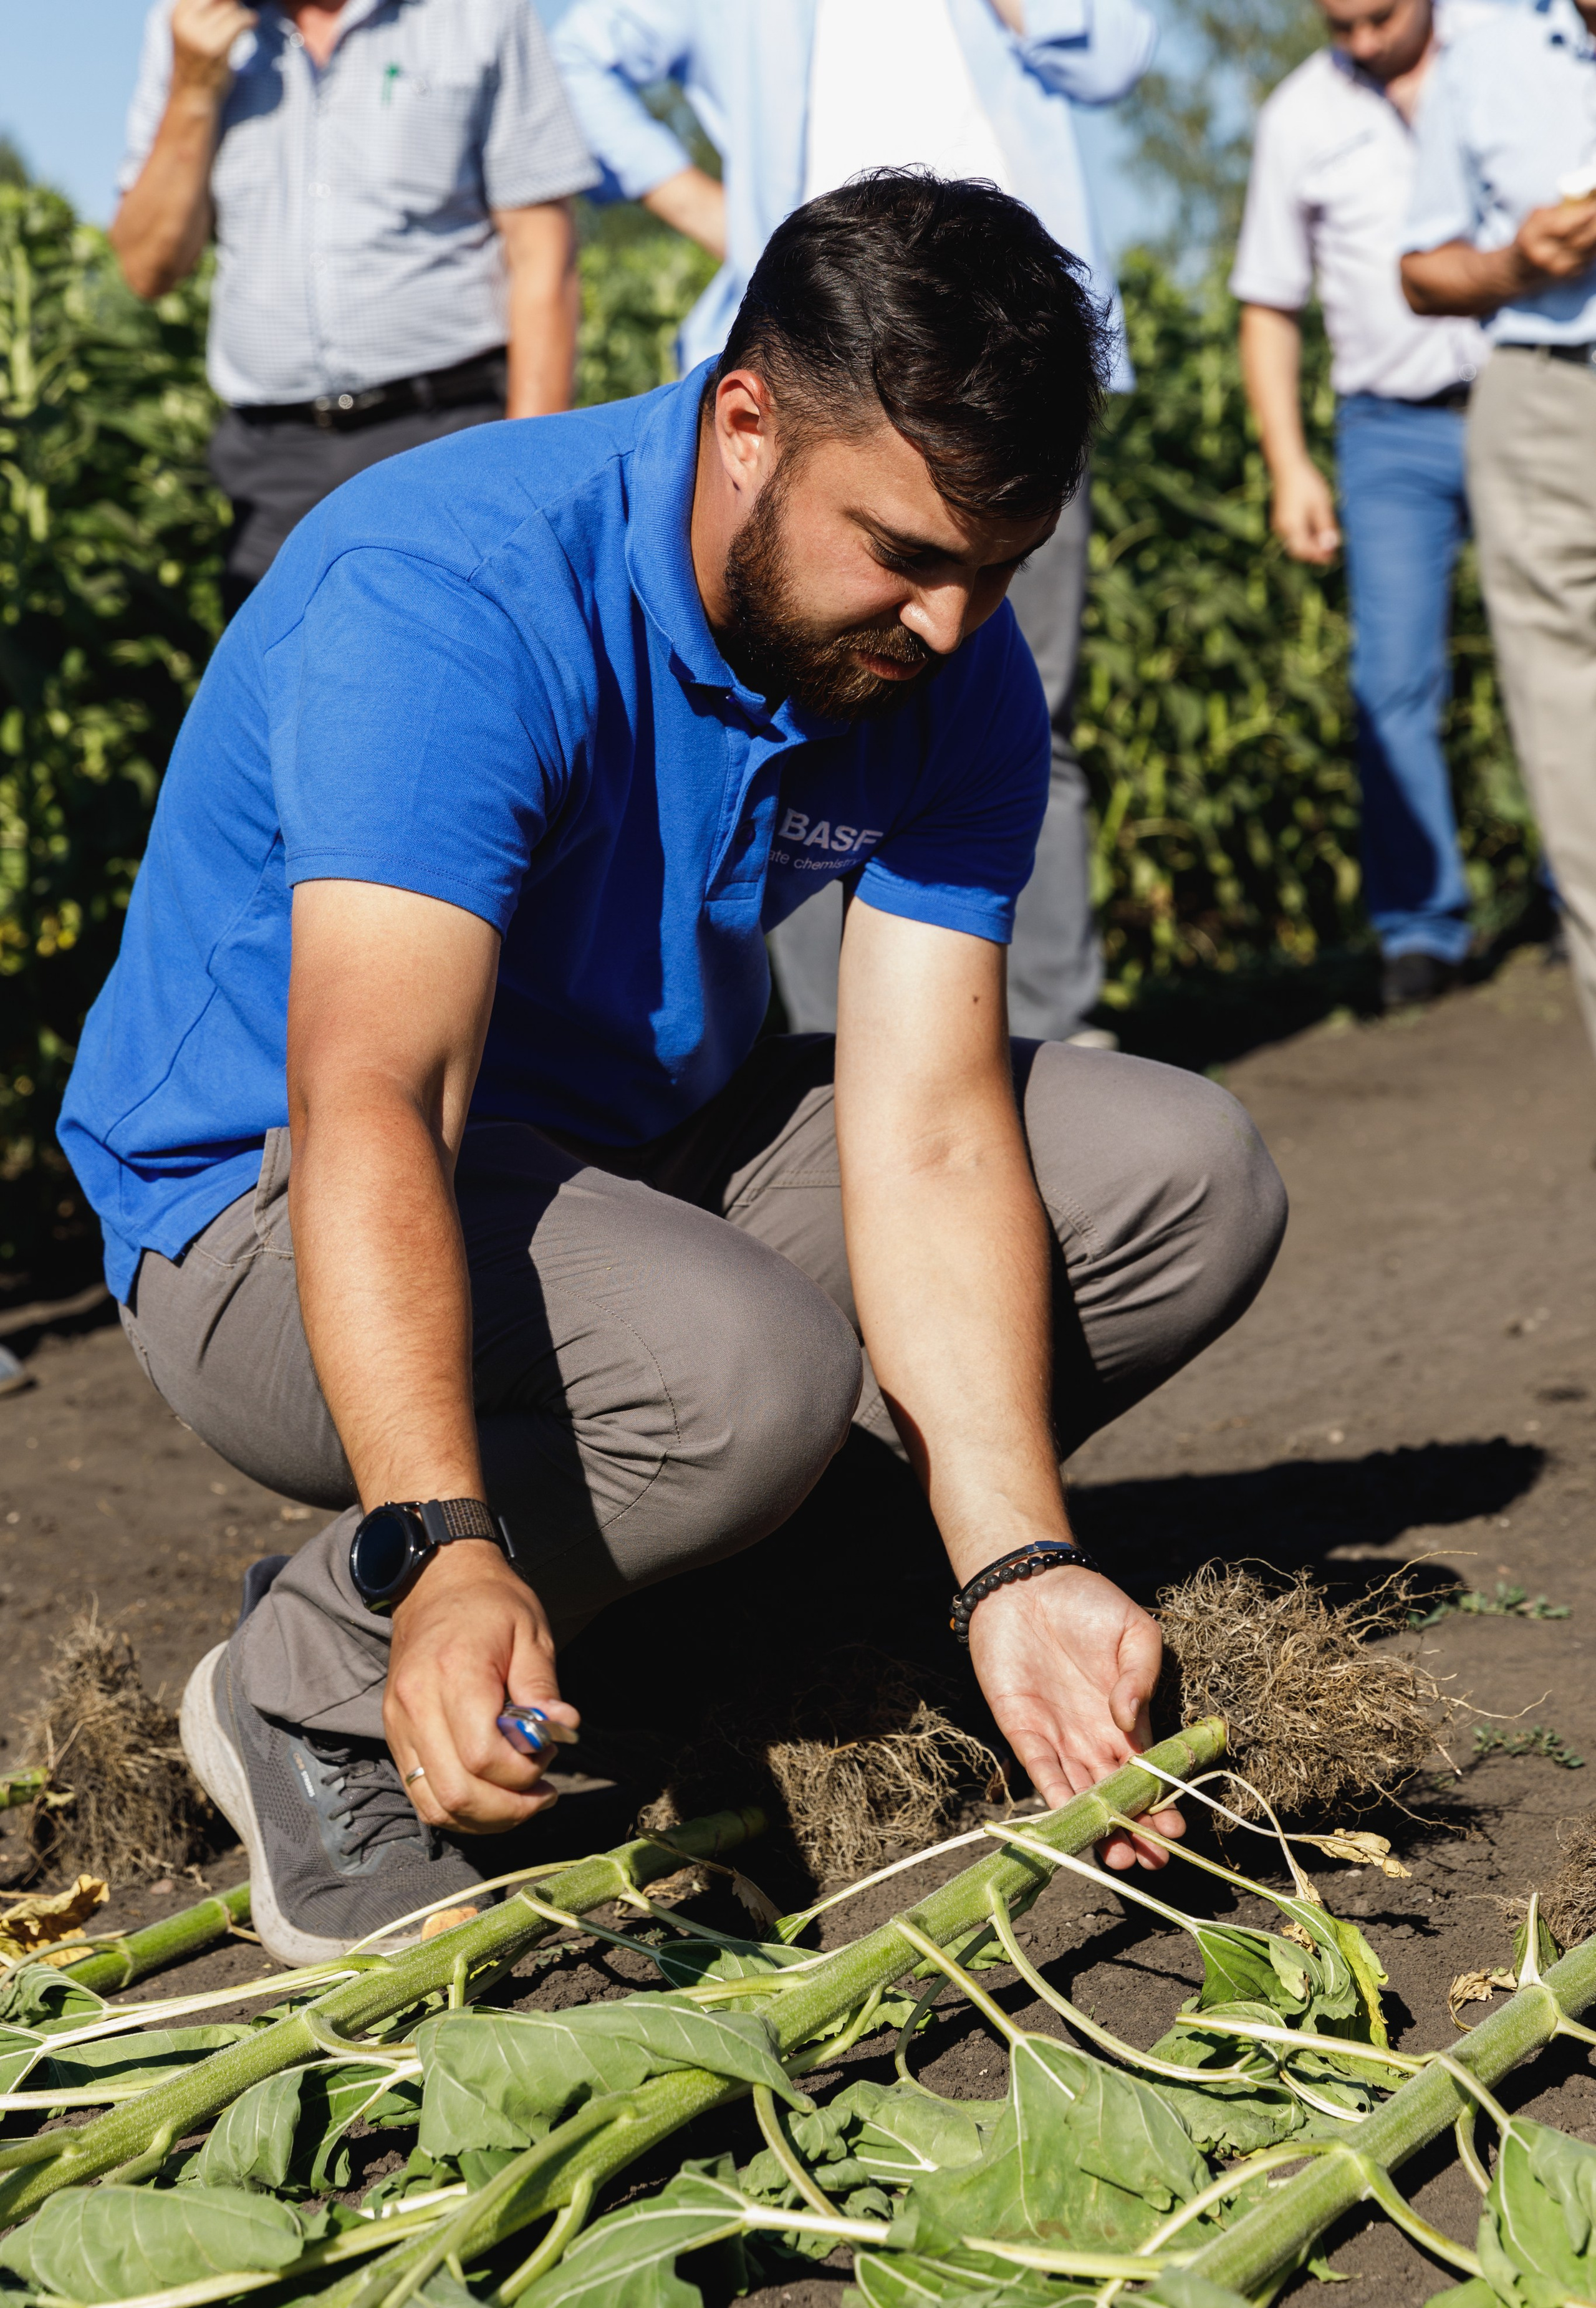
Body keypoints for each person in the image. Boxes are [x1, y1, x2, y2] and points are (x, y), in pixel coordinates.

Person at [60, 176, 1287, 1966]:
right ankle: (312, 1675)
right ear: (745, 424)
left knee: (1181, 1177)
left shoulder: (940, 657)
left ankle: (674, 1595)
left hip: (637, 1148)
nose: (952, 626)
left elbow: (933, 1132)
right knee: (743, 1377)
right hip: (264, 1202)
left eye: (997, 570)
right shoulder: (457, 590)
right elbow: (377, 1102)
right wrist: (439, 1537)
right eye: (906, 555)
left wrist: (1016, 1562)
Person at [551, 0, 1159, 1046]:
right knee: (775, 730)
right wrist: (710, 206)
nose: (946, 611)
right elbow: (575, 59)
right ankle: (821, 1055)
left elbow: (1113, 56)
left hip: (1016, 391)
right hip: (832, 385)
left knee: (1021, 710)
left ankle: (1051, 1032)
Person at [112, 0, 595, 616]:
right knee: (284, 673)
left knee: (449, 666)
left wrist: (525, 483)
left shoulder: (477, 15)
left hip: (446, 440)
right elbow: (147, 267)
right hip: (272, 466)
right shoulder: (186, 29)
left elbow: (543, 259)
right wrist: (192, 91)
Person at [1232, 0, 1490, 1011]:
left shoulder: (1515, 50)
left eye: (1380, 16)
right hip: (1388, 431)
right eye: (1340, 23)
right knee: (1391, 683)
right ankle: (1422, 929)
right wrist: (1290, 465)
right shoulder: (1298, 117)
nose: (1363, 40)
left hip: (1536, 390)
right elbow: (1269, 301)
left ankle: (1581, 895)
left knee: (1569, 649)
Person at [1399, 0, 1596, 1053]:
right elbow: (1422, 269)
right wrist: (1518, 264)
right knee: (1572, 748)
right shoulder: (1482, 62)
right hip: (1540, 396)